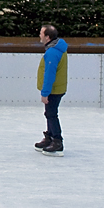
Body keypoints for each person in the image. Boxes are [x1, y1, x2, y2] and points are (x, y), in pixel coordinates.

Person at [35, 25, 68, 155]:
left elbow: (49, 74)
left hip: (53, 90)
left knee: (51, 114)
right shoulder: (57, 48)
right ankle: (49, 137)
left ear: (47, 37)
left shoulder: (52, 52)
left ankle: (57, 141)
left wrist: (45, 93)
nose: (39, 35)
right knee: (49, 113)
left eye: (41, 33)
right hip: (57, 88)